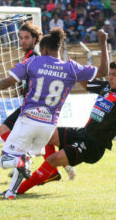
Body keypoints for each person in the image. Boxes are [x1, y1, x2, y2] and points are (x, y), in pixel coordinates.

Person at [0, 27, 109, 199]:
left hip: (28, 119)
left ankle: (20, 162)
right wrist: (102, 43)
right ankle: (12, 192)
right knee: (26, 153)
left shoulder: (34, 62)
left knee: (5, 160)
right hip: (49, 126)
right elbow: (103, 72)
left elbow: (9, 81)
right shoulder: (71, 68)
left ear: (43, 49)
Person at [24, 60, 116, 190]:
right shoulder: (106, 87)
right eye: (110, 74)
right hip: (82, 132)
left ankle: (17, 190)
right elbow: (87, 84)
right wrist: (75, 71)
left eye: (115, 75)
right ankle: (55, 171)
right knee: (46, 133)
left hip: (93, 146)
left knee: (52, 159)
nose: (111, 78)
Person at [0, 22, 67, 184]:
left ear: (36, 39)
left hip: (33, 107)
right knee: (43, 139)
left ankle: (25, 160)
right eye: (21, 38)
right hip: (34, 106)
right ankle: (51, 169)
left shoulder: (36, 57)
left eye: (27, 37)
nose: (23, 41)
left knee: (4, 130)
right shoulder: (31, 55)